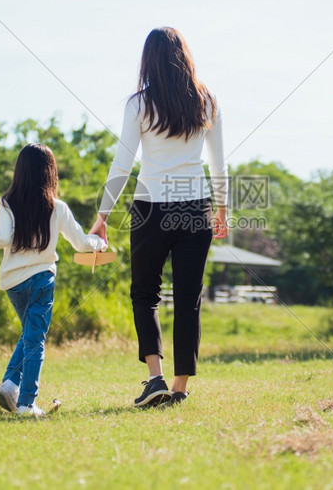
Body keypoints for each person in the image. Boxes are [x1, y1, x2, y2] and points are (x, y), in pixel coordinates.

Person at [90, 27, 229, 408]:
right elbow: (218, 164)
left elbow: (122, 163)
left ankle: (155, 379)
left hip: (151, 207)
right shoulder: (207, 101)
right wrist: (222, 209)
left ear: (147, 60)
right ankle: (180, 388)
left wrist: (102, 215)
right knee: (188, 299)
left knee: (145, 294)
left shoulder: (138, 104)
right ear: (185, 56)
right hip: (195, 206)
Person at [0, 143, 107, 417]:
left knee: (30, 335)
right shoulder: (57, 207)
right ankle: (27, 403)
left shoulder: (6, 202)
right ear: (50, 173)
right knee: (35, 339)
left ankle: (9, 384)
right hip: (41, 279)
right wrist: (99, 241)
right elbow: (81, 244)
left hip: (13, 284)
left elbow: (3, 237)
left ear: (19, 172)